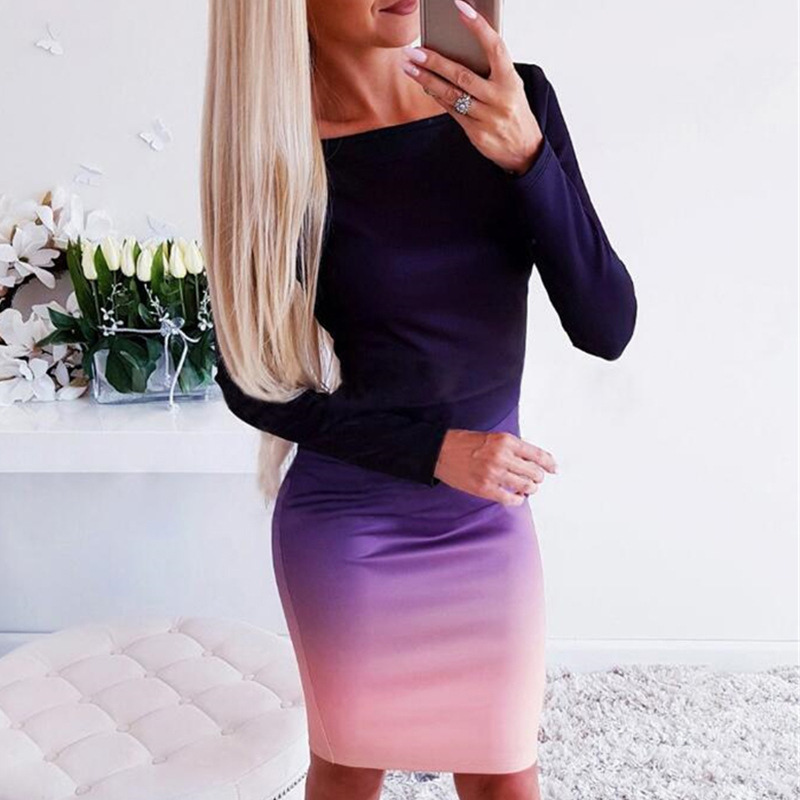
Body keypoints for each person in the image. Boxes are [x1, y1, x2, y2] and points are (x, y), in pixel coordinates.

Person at [200, 0, 637, 798]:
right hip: (351, 527)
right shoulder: (277, 152)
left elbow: (607, 326)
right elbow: (249, 381)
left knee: (505, 775)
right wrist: (435, 452)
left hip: (485, 521)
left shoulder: (514, 100)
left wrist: (528, 157)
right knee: (348, 769)